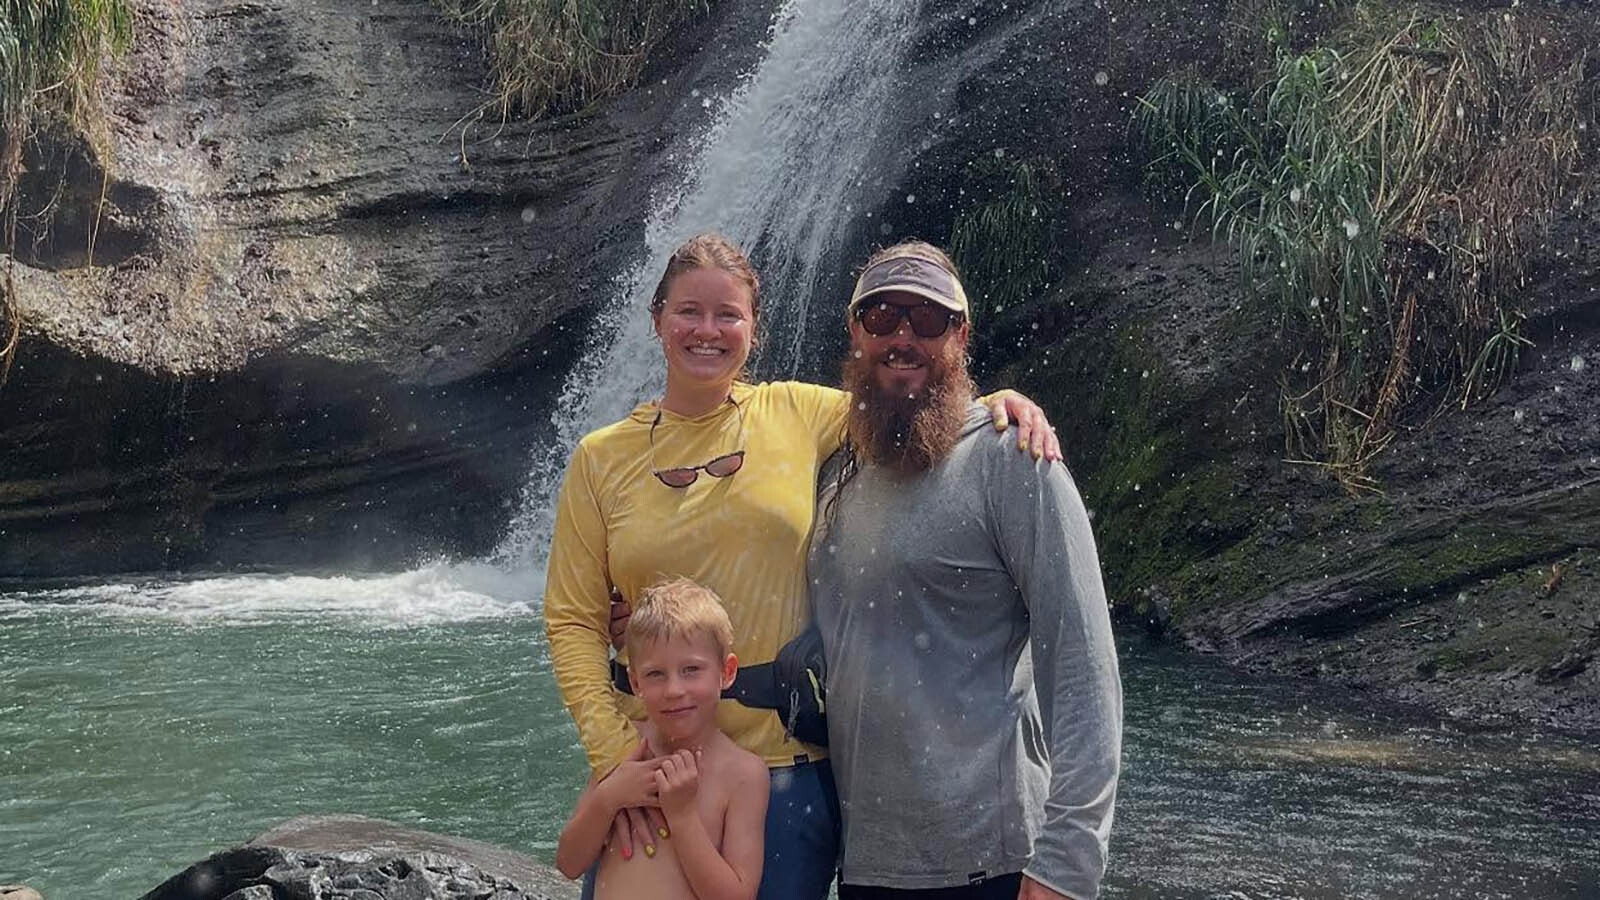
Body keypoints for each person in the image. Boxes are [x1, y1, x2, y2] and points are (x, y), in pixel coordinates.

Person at [543, 232, 1061, 900]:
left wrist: (999, 404)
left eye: (728, 315)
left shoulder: (798, 413)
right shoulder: (600, 458)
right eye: (688, 312)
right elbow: (572, 622)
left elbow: (909, 396)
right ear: (657, 320)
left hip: (783, 768)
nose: (708, 330)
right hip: (654, 760)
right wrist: (618, 759)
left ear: (753, 330)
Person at [809, 241, 1123, 900]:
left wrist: (1069, 858)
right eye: (883, 316)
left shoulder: (1013, 459)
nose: (902, 337)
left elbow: (1082, 660)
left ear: (961, 335)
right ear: (855, 332)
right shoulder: (839, 472)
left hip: (995, 860)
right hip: (868, 862)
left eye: (927, 321)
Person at [557, 577, 770, 900]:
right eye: (656, 674)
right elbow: (569, 864)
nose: (674, 690)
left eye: (691, 670)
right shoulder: (626, 747)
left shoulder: (743, 774)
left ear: (726, 672)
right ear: (635, 681)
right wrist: (609, 798)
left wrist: (682, 816)